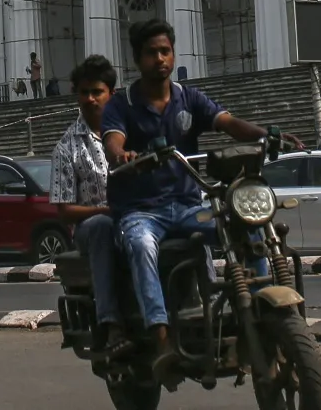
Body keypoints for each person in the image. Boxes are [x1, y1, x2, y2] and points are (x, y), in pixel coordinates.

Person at [103, 21, 269, 387]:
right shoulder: (121, 104)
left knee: (245, 223)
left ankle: (260, 313)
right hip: (142, 211)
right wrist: (123, 154)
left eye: (165, 51)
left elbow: (227, 122)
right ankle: (161, 338)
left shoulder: (189, 98)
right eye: (151, 52)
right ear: (137, 59)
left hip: (189, 206)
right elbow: (112, 141)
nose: (160, 59)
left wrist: (267, 135)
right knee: (141, 245)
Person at [48, 54, 119, 354]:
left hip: (135, 217)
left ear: (111, 94)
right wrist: (103, 210)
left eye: (97, 92)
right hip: (92, 227)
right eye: (84, 92)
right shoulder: (66, 147)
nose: (91, 99)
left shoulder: (133, 132)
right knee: (103, 226)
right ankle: (112, 323)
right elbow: (64, 210)